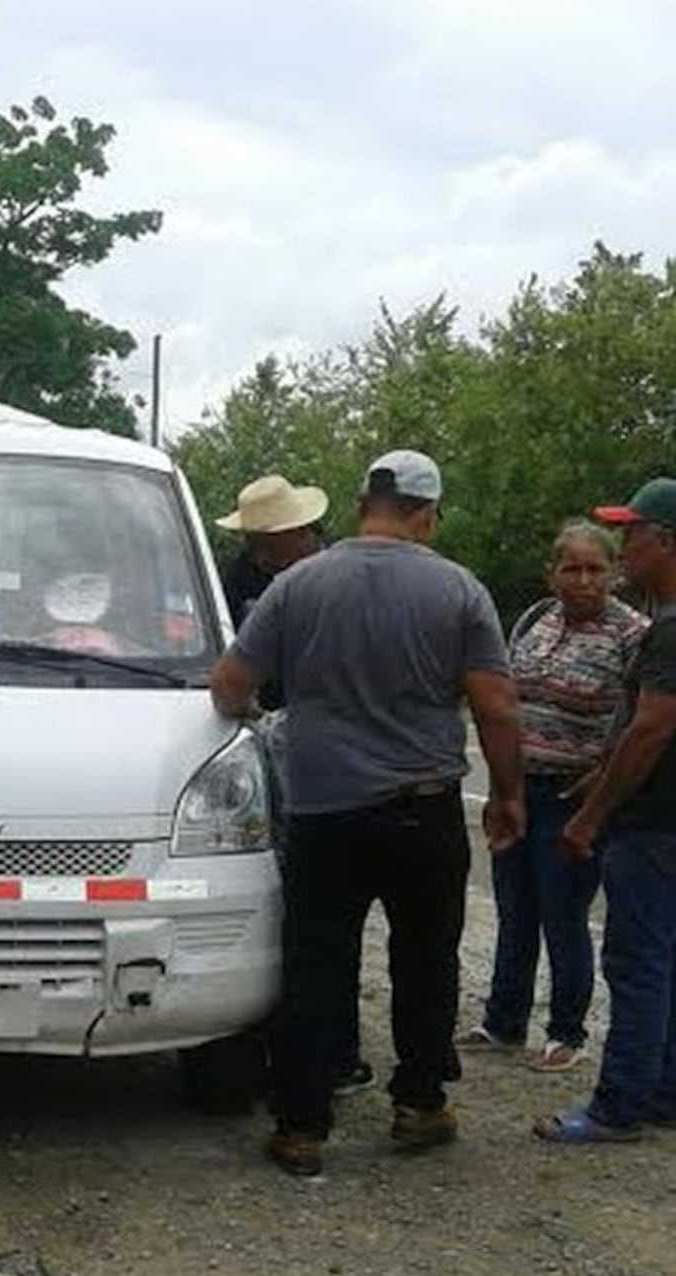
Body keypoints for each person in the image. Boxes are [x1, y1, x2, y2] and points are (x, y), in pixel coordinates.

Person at [211, 449, 525, 1177]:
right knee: (424, 958)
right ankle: (418, 1104)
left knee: (316, 965)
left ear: (362, 503)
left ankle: (302, 1128)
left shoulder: (298, 586)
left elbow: (228, 685)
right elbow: (497, 706)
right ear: (427, 512)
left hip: (325, 814)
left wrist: (265, 718)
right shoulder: (459, 590)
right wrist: (509, 795)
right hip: (423, 810)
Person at [459, 522, 649, 1069]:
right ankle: (503, 1021)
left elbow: (641, 722)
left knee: (563, 913)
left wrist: (604, 780)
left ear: (614, 573)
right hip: (520, 786)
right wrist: (503, 784)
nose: (584, 580)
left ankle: (567, 1031)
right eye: (572, 568)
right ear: (553, 573)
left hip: (576, 793)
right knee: (514, 908)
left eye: (596, 569)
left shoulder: (631, 635)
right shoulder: (537, 621)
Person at [216, 473, 376, 1094]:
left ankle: (332, 1053)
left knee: (325, 913)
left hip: (324, 752)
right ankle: (268, 1035)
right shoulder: (240, 576)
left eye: (266, 537)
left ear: (297, 533)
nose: (257, 549)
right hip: (259, 736)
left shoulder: (335, 578)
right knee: (275, 900)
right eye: (253, 539)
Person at [536, 478, 676, 1143]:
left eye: (632, 535)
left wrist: (591, 813)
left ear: (664, 542)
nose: (625, 549)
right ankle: (662, 1091)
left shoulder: (668, 629)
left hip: (654, 824)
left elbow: (650, 730)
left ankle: (619, 1106)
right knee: (664, 959)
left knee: (637, 961)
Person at [217, 474, 328, 630]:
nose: (260, 555)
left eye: (270, 544)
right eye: (252, 542)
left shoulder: (340, 570)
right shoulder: (241, 578)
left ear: (299, 532)